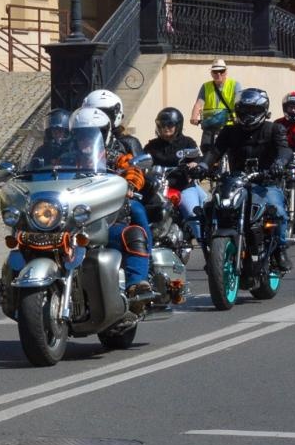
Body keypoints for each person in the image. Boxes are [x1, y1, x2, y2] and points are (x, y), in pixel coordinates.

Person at [71, 105, 154, 307]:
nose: (87, 139)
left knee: (134, 233)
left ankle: (137, 284)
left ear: (105, 134)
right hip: (69, 221)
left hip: (107, 219)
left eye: (95, 133)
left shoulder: (114, 156)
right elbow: (46, 171)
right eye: (81, 134)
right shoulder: (65, 158)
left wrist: (129, 184)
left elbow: (133, 169)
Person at [207, 88, 294, 272]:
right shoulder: (229, 131)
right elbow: (215, 152)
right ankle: (211, 252)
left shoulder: (274, 129)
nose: (248, 116)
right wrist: (202, 166)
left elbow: (285, 150)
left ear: (263, 111)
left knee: (276, 209)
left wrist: (279, 163)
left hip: (265, 183)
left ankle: (280, 249)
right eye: (244, 111)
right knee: (209, 209)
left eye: (253, 112)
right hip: (236, 182)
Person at [143, 107, 207, 242]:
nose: (165, 128)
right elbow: (142, 161)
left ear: (178, 126)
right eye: (162, 125)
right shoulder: (152, 146)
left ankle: (207, 250)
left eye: (170, 125)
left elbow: (197, 158)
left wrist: (194, 164)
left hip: (183, 187)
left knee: (192, 214)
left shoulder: (187, 142)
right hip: (158, 189)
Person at [189, 60, 238, 153]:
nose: (218, 74)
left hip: (228, 125)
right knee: (205, 147)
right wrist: (194, 117)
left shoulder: (234, 85)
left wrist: (238, 117)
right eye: (215, 71)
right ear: (211, 73)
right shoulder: (206, 86)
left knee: (232, 149)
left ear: (226, 71)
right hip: (210, 124)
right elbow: (199, 103)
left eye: (221, 71)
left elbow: (239, 102)